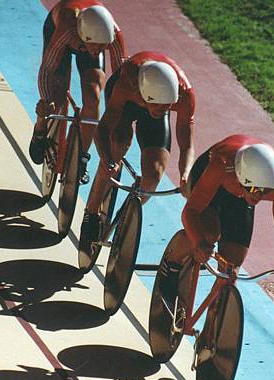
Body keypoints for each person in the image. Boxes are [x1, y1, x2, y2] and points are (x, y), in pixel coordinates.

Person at [159, 134, 274, 307]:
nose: (258, 196)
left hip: (240, 196)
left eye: (265, 191)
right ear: (241, 176)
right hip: (211, 178)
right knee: (209, 233)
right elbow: (191, 211)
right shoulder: (222, 165)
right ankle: (171, 264)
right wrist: (198, 241)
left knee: (230, 269)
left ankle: (213, 325)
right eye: (255, 189)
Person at [79, 50, 195, 241]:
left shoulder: (184, 94)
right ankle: (91, 210)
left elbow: (187, 144)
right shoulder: (128, 83)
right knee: (118, 142)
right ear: (142, 95)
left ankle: (127, 218)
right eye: (158, 105)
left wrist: (185, 174)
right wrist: (108, 160)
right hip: (125, 103)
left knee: (154, 174)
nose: (162, 109)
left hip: (154, 98)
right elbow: (103, 129)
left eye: (167, 106)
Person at [29, 0, 126, 185]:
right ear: (83, 35)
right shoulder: (67, 28)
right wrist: (46, 100)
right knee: (55, 98)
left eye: (102, 46)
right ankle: (41, 125)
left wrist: (115, 114)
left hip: (85, 39)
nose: (98, 51)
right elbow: (47, 69)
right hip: (60, 32)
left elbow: (120, 79)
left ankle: (81, 157)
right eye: (95, 45)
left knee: (94, 96)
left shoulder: (113, 35)